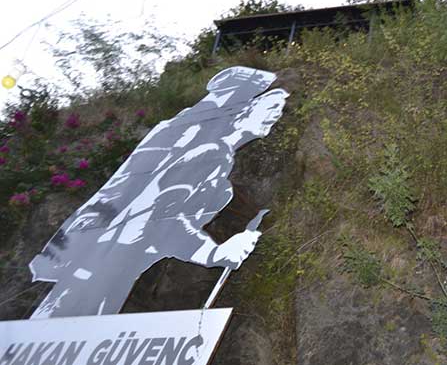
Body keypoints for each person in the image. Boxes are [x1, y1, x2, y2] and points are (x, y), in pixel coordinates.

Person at [28, 66, 289, 318]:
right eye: (266, 106)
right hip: (107, 263)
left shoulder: (191, 140)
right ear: (240, 108)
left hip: (108, 261)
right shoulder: (205, 147)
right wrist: (213, 253)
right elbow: (162, 215)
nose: (274, 116)